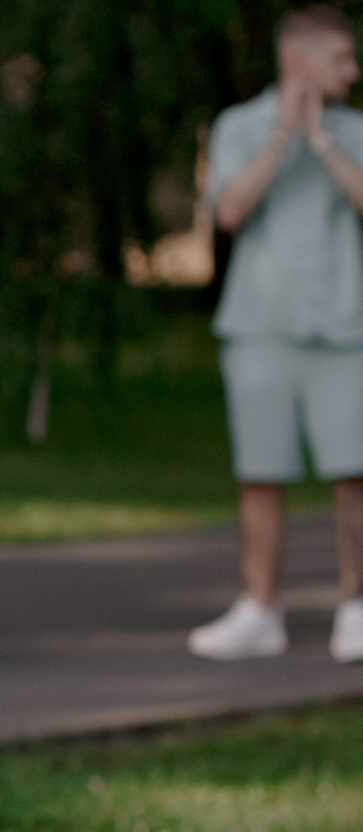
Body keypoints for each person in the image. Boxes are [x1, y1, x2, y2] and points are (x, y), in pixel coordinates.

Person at [191, 5, 363, 663]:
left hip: (345, 327)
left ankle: (357, 605)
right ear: (299, 61)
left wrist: (322, 141)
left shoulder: (355, 130)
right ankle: (260, 608)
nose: (352, 70)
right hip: (260, 328)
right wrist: (284, 137)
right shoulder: (239, 127)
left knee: (354, 475)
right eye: (340, 58)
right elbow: (230, 210)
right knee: (260, 472)